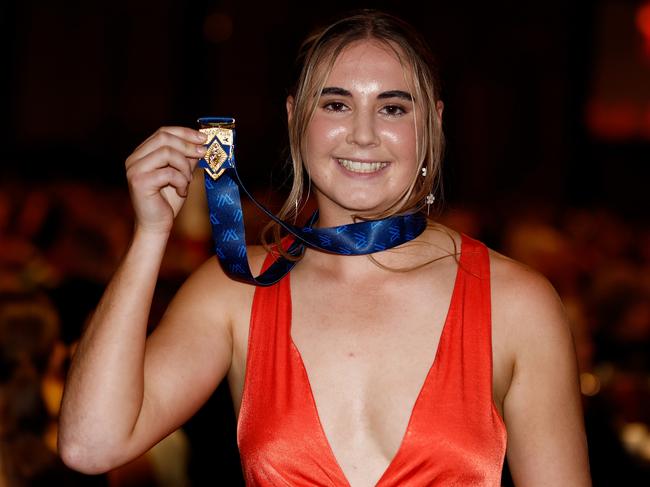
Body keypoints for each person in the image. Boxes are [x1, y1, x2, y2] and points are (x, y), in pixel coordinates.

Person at [58, 9, 592, 486]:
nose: (363, 135)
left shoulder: (517, 304)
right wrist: (150, 235)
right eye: (336, 104)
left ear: (433, 122)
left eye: (393, 108)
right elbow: (91, 444)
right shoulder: (236, 291)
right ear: (295, 119)